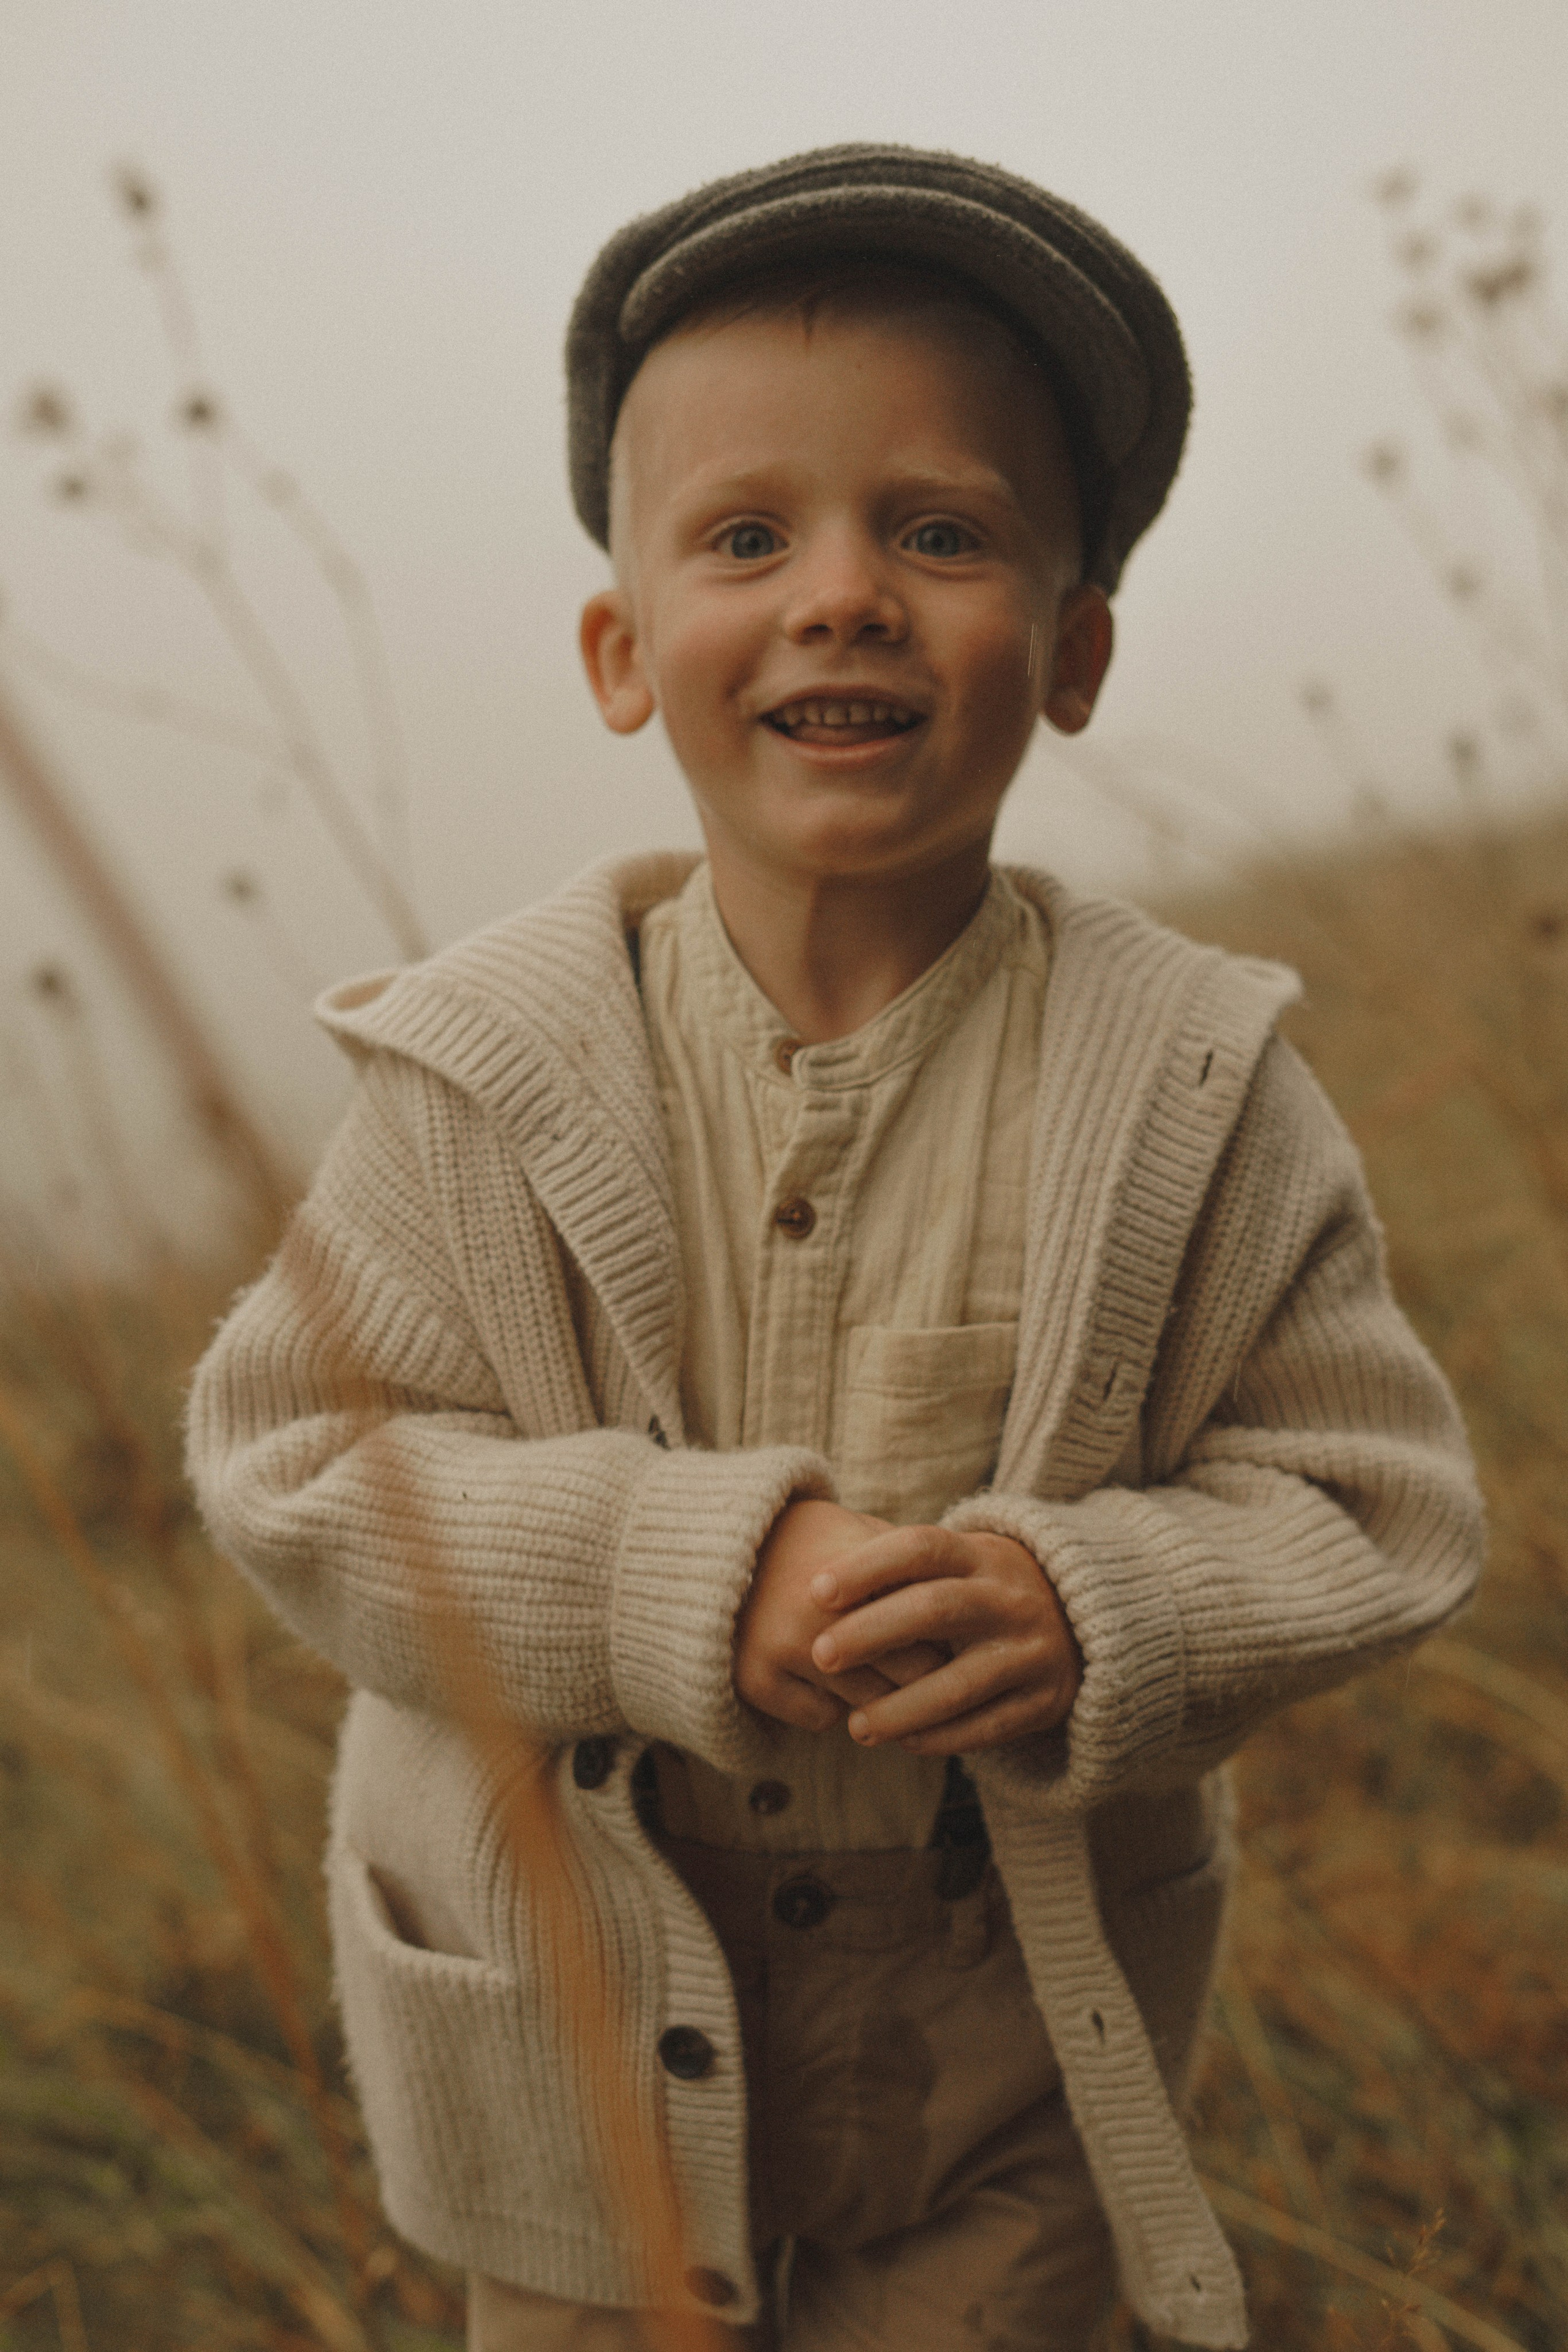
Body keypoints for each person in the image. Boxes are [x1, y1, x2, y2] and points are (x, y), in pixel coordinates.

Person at [186, 146, 1484, 2351]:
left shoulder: (1193, 1082)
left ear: (1070, 652)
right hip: (578, 2030)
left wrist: (1106, 1600)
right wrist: (691, 1573)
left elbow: (1372, 1500)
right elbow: (307, 1461)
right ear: (624, 652)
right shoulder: (481, 1075)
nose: (846, 594)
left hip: (1013, 2050)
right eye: (750, 537)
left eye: (944, 531)